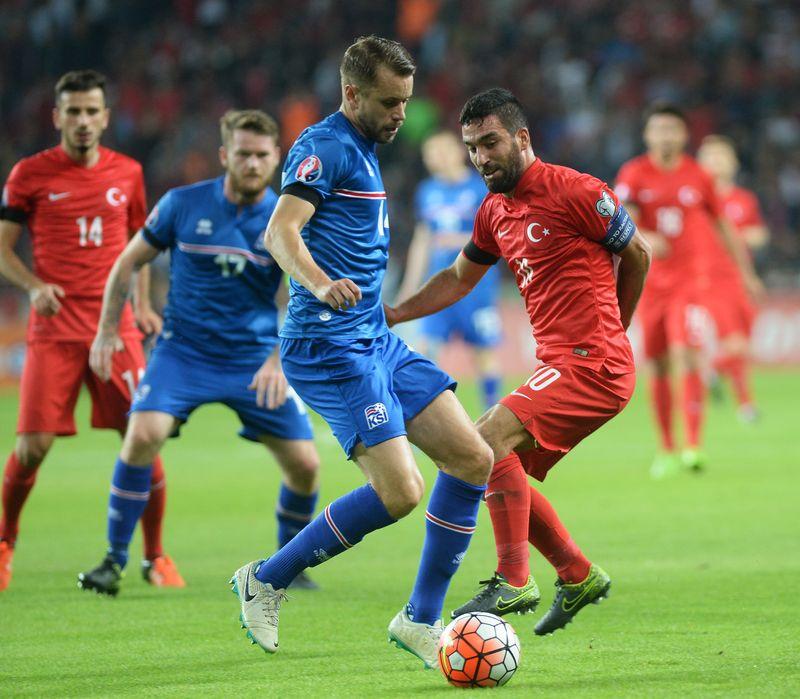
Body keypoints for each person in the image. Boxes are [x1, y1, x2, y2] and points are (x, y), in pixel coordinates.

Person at [229, 36, 493, 667]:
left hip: (374, 338)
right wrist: (320, 283)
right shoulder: (324, 148)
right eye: (389, 101)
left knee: (472, 458)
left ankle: (419, 619)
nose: (402, 113)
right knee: (401, 491)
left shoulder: (368, 150)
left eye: (406, 100)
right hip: (327, 345)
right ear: (351, 93)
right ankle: (266, 578)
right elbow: (279, 231)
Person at [386, 87, 652, 636]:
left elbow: (638, 255)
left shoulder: (577, 190)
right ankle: (576, 574)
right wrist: (395, 312)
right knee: (491, 465)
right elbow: (460, 278)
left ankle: (513, 577)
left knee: (482, 442)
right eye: (472, 148)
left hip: (593, 362)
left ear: (521, 138)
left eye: (490, 143)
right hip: (558, 361)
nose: (481, 157)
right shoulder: (493, 211)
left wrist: (614, 333)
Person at [77, 110, 321, 596]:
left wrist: (278, 358)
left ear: (276, 160)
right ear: (225, 155)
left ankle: (290, 564)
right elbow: (127, 262)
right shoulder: (181, 205)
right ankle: (114, 560)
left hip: (254, 360)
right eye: (243, 154)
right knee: (142, 434)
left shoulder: (286, 220)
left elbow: (299, 295)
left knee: (307, 466)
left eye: (262, 155)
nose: (252, 163)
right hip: (182, 354)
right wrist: (108, 329)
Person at [0, 70, 179, 591]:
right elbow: (3, 248)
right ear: (57, 117)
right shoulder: (28, 174)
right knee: (32, 446)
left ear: (105, 117)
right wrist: (33, 285)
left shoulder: (128, 173)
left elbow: (140, 247)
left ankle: (155, 556)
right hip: (53, 329)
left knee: (142, 439)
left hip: (116, 331)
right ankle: (5, 542)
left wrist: (143, 306)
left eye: (91, 111)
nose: (82, 121)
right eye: (72, 111)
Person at [614, 104, 762, 478]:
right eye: (658, 129)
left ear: (683, 135)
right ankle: (666, 447)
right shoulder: (634, 172)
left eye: (672, 129)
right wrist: (645, 236)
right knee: (660, 363)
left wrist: (745, 272)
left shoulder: (698, 176)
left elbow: (724, 225)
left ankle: (693, 445)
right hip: (649, 283)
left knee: (689, 352)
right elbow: (621, 218)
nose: (665, 136)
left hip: (690, 284)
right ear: (648, 135)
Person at [396, 131, 501, 411]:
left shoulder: (480, 188)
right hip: (438, 286)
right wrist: (410, 286)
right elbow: (423, 240)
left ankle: (492, 414)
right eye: (429, 155)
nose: (434, 159)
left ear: (457, 152)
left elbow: (495, 234)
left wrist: (453, 240)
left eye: (440, 152)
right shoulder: (427, 191)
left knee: (484, 352)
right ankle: (426, 418)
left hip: (477, 287)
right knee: (426, 351)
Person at [697, 135, 768, 422]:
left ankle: (713, 370)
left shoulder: (743, 199)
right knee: (735, 343)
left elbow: (759, 234)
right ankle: (746, 405)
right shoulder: (696, 201)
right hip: (712, 280)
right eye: (710, 156)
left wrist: (746, 238)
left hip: (741, 277)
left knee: (743, 345)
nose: (716, 162)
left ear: (734, 163)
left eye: (721, 156)